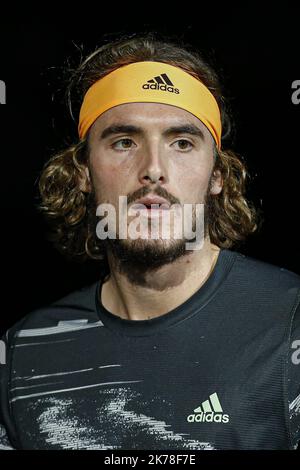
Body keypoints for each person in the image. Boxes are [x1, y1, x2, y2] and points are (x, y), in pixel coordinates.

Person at [0, 34, 299, 451]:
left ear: (217, 175)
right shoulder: (23, 350)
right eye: (124, 142)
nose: (153, 169)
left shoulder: (291, 324)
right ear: (83, 171)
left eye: (182, 143)